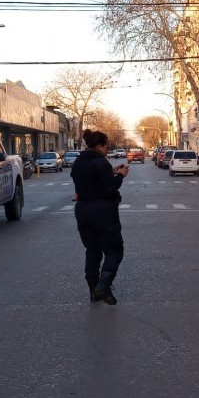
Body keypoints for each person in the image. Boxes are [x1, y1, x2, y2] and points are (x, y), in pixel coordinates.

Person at [71, 129, 129, 306]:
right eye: (106, 147)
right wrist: (120, 175)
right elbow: (110, 187)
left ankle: (94, 291)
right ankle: (103, 286)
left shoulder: (78, 162)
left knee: (93, 251)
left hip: (83, 211)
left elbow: (91, 181)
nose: (107, 150)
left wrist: (110, 172)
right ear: (99, 146)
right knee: (114, 250)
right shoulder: (100, 162)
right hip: (103, 211)